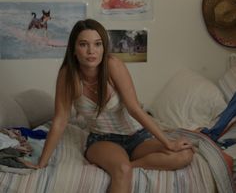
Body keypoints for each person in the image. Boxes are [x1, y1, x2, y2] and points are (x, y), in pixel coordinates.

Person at [28, 19, 194, 193]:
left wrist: (168, 143)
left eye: (97, 44)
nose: (91, 51)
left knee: (185, 155)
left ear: (103, 47)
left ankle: (131, 163)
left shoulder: (113, 65)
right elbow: (60, 121)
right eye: (84, 44)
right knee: (122, 170)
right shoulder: (67, 76)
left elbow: (135, 109)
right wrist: (42, 163)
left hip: (136, 137)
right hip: (103, 140)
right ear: (74, 50)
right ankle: (125, 165)